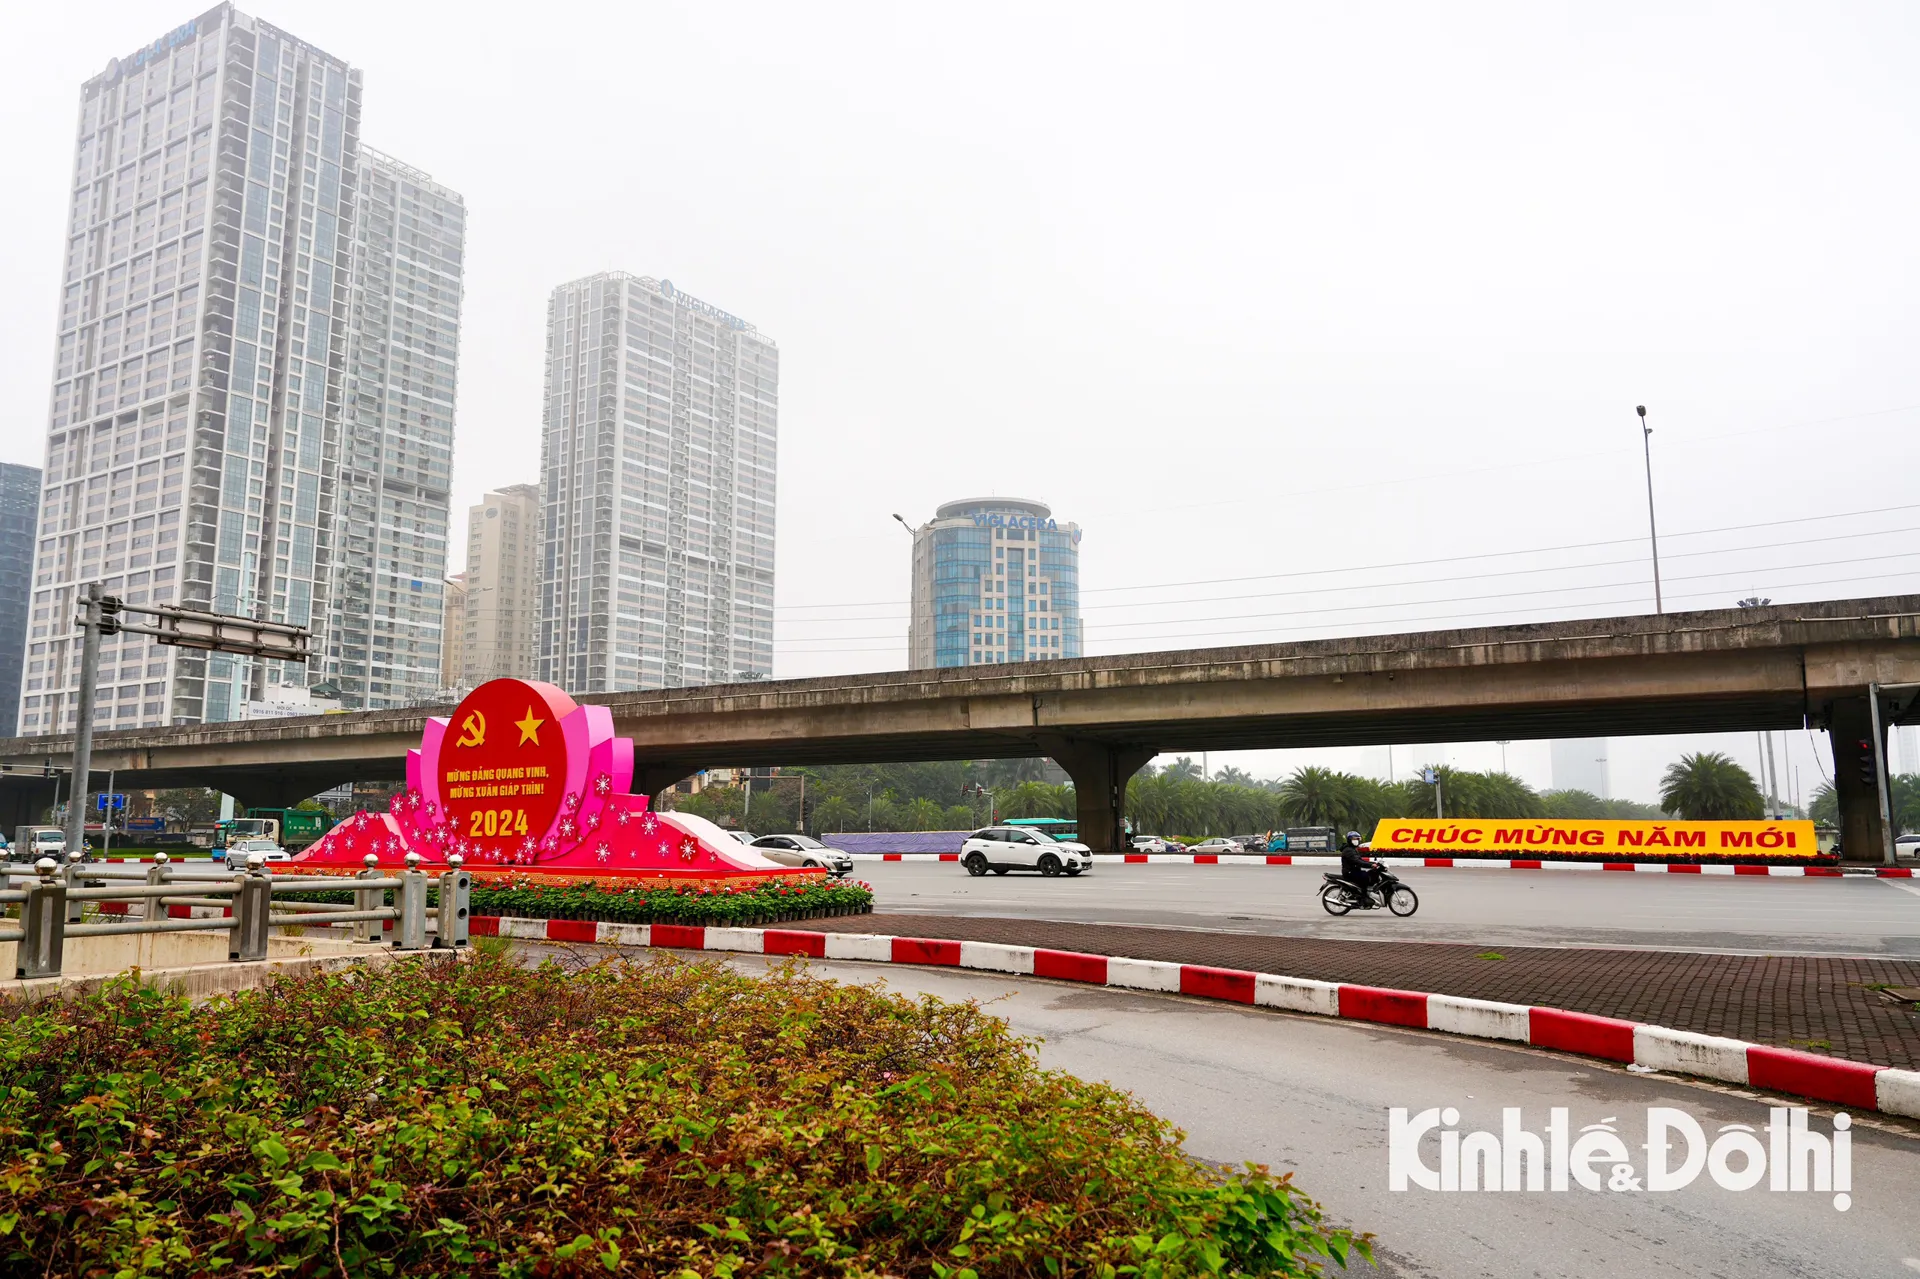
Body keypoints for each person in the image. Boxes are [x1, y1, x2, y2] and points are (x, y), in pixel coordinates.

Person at [1340, 830, 1384, 900]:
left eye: (1357, 839)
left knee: (1372, 873)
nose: (1356, 841)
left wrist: (1373, 863)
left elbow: (1360, 860)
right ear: (1349, 840)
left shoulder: (1352, 849)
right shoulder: (1348, 850)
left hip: (1354, 871)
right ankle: (1363, 896)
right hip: (1350, 872)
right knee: (1366, 877)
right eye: (1354, 839)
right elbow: (1357, 861)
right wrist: (1371, 865)